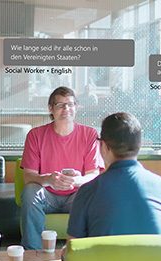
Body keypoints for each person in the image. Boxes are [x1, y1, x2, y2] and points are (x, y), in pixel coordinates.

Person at [67, 112, 161, 238]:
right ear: (139, 145)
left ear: (104, 146)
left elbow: (74, 250)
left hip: (105, 258)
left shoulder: (88, 191)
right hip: (153, 258)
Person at [20, 86, 104, 250]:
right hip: (47, 196)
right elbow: (28, 176)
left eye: (70, 104)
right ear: (51, 109)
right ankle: (32, 251)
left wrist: (77, 180)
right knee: (30, 191)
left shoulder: (90, 134)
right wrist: (48, 179)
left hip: (76, 195)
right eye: (60, 105)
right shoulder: (35, 135)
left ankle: (85, 251)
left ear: (76, 108)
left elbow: (93, 175)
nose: (66, 109)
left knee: (93, 192)